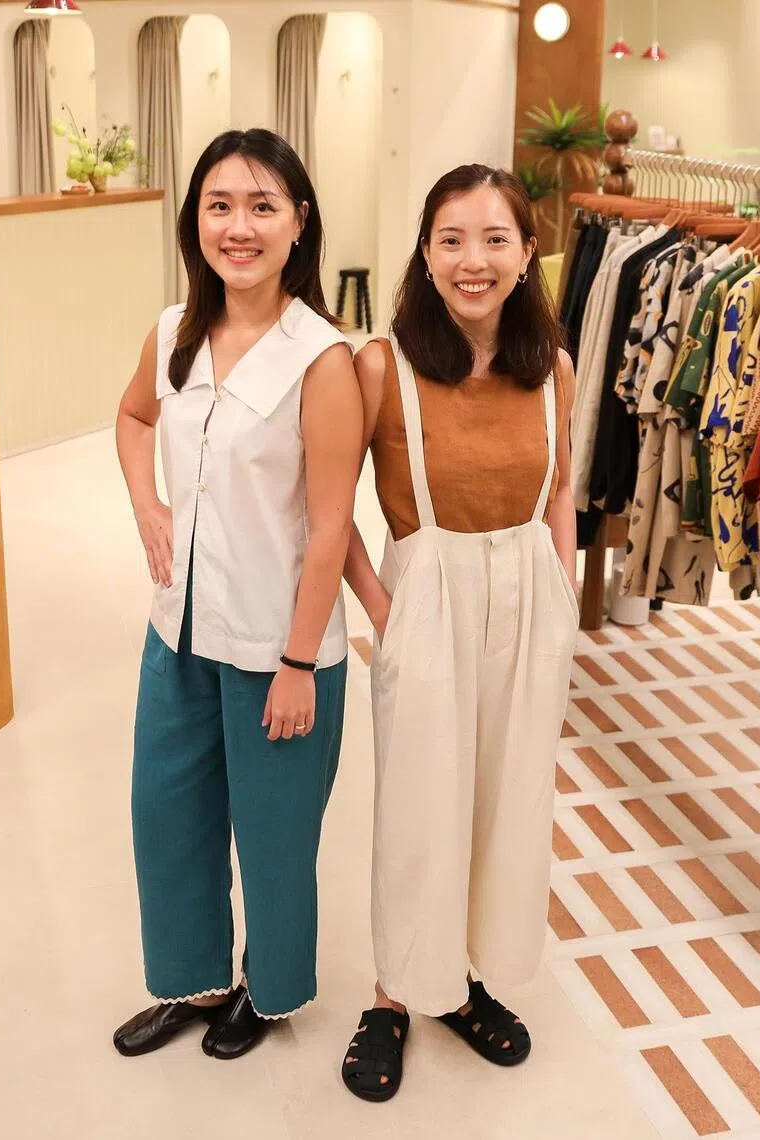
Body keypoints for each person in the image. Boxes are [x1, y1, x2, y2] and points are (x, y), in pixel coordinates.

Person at [112, 128, 362, 1061]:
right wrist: (148, 504)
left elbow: (332, 526)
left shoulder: (322, 359)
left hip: (276, 643)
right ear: (196, 221)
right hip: (177, 628)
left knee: (273, 836)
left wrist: (300, 663)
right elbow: (135, 416)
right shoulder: (172, 331)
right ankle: (195, 979)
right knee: (166, 812)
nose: (240, 226)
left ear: (300, 223)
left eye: (263, 206)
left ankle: (269, 990)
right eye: (221, 205)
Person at [339, 164, 579, 1101]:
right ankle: (395, 993)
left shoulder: (553, 366)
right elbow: (323, 504)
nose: (471, 260)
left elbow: (562, 489)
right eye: (450, 239)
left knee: (506, 800)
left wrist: (558, 596)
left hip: (527, 594)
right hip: (427, 594)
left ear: (527, 255)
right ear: (426, 253)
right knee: (419, 808)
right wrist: (385, 613)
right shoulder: (380, 365)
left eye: (494, 239)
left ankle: (462, 978)